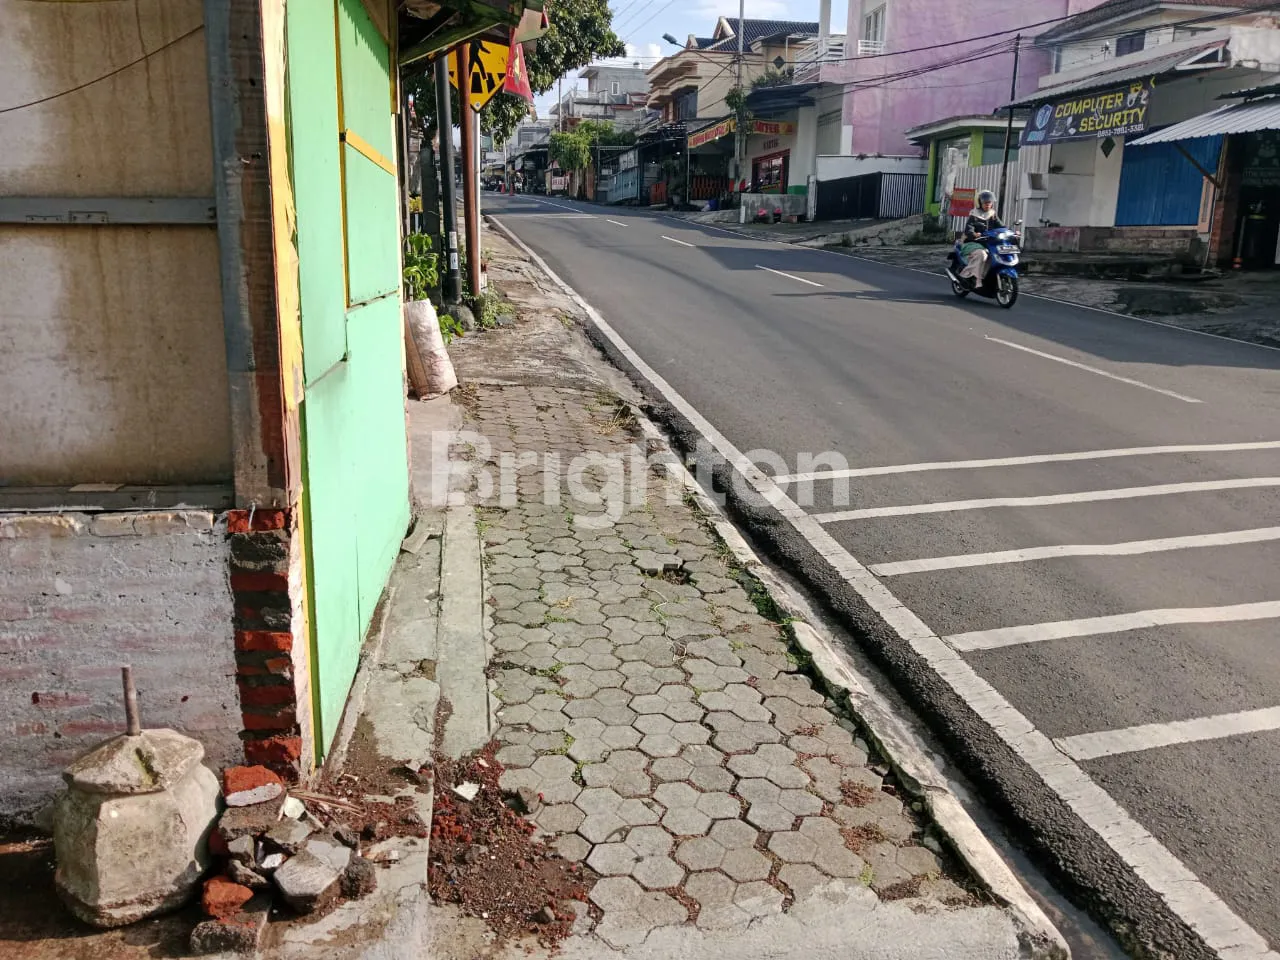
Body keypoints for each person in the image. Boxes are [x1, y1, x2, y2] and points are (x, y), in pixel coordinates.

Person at [959, 190, 1003, 284]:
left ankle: (984, 277)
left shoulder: (992, 215)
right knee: (982, 254)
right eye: (985, 203)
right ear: (980, 203)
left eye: (989, 202)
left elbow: (1001, 226)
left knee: (995, 255)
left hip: (987, 243)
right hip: (972, 242)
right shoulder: (974, 215)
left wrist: (1011, 232)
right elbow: (968, 229)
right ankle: (966, 275)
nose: (988, 205)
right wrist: (974, 234)